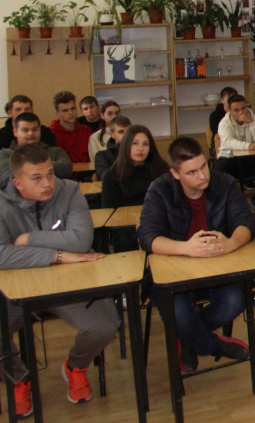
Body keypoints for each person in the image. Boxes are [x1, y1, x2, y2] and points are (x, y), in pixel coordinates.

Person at [0, 143, 119, 415]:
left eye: (50, 174)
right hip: (16, 288)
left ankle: (75, 366)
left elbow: (81, 240)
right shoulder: (1, 203)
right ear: (17, 183)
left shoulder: (70, 191)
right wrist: (58, 255)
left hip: (69, 283)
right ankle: (18, 378)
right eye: (37, 178)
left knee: (105, 325)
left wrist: (28, 239)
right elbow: (1, 254)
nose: (47, 183)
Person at [137, 137, 255, 374]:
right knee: (178, 311)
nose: (202, 176)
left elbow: (246, 222)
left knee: (234, 301)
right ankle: (212, 345)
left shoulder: (224, 183)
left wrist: (231, 243)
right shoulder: (159, 189)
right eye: (192, 172)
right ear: (175, 173)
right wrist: (186, 248)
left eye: (203, 166)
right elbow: (148, 237)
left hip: (217, 266)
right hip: (173, 270)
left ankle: (188, 336)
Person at [101, 125, 169, 208]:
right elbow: (109, 211)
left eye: (145, 144)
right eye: (135, 143)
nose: (141, 148)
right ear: (126, 145)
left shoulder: (162, 170)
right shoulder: (111, 176)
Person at [0, 112, 73, 185]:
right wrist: (46, 168)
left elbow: (67, 170)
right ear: (15, 132)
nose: (31, 133)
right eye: (25, 130)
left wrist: (24, 168)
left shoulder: (55, 151)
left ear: (40, 130)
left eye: (35, 129)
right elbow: (6, 177)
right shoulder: (5, 155)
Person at [50, 91, 92, 163]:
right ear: (57, 114)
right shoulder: (51, 134)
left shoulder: (86, 131)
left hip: (88, 169)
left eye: (73, 108)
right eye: (65, 110)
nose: (70, 113)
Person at [94, 116, 131, 180]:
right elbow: (105, 178)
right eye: (121, 132)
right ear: (112, 134)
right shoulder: (102, 156)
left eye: (129, 132)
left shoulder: (139, 152)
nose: (126, 135)